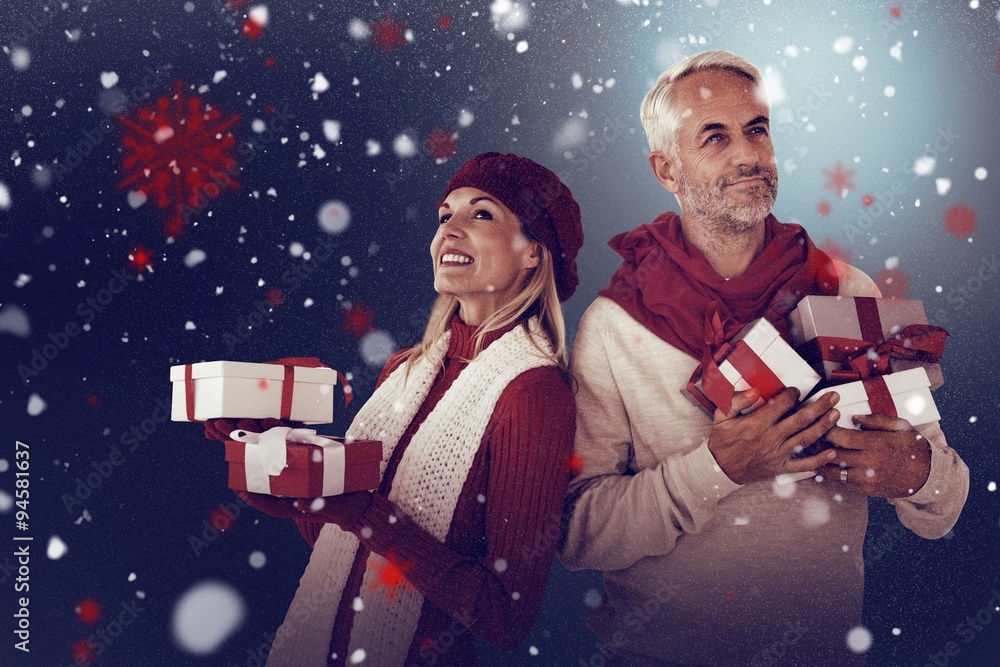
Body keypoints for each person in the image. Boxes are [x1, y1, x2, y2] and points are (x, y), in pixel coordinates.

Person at [558, 50, 969, 667]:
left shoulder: (846, 290)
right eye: (714, 137)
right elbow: (575, 532)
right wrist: (715, 469)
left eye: (757, 129)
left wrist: (915, 471)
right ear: (667, 169)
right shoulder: (614, 326)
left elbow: (945, 506)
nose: (747, 154)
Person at [204, 152, 584, 666]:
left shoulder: (534, 394)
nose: (450, 229)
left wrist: (359, 510)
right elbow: (352, 545)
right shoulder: (406, 369)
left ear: (533, 253)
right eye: (445, 215)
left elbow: (504, 615)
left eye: (483, 213)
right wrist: (288, 480)